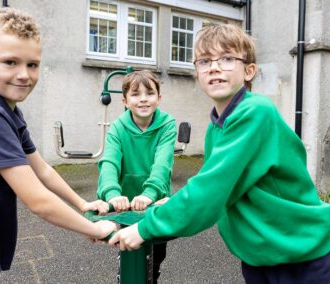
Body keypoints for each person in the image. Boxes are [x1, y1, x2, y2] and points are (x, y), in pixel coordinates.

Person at [109, 24, 330, 283]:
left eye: (226, 58)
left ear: (249, 71)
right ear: (197, 73)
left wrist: (146, 228)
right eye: (204, 61)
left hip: (300, 252)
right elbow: (215, 180)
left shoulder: (255, 112)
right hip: (260, 255)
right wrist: (174, 202)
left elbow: (210, 191)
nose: (214, 67)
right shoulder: (217, 125)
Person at [0, 7, 115, 284]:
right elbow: (37, 200)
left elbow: (41, 170)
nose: (24, 74)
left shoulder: (6, 110)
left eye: (32, 64)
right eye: (10, 62)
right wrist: (94, 228)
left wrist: (82, 202)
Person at [97, 70, 177, 283]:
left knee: (156, 257)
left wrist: (150, 193)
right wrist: (112, 193)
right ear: (125, 100)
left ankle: (153, 277)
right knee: (129, 251)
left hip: (154, 203)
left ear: (158, 99)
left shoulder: (167, 125)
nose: (143, 98)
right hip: (127, 205)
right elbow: (110, 163)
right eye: (135, 94)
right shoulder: (117, 128)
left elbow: (162, 164)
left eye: (149, 93)